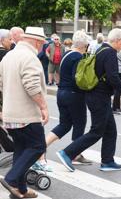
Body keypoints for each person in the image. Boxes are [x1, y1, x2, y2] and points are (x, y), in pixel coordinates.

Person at [56, 28, 121, 172]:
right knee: (97, 131)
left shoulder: (100, 49)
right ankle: (68, 153)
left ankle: (107, 161)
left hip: (94, 95)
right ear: (118, 41)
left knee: (110, 130)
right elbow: (112, 77)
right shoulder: (110, 53)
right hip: (100, 97)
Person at [0, 26, 49, 199]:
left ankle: (20, 189)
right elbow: (32, 86)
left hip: (10, 114)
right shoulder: (29, 57)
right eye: (43, 43)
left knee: (21, 150)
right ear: (37, 41)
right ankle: (12, 179)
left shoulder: (9, 56)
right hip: (26, 114)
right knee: (38, 147)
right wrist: (43, 106)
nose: (43, 46)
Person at [34, 30, 91, 171]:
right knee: (79, 123)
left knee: (65, 124)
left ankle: (41, 147)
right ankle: (75, 153)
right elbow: (77, 78)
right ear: (84, 44)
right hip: (74, 94)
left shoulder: (67, 54)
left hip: (62, 92)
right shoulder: (78, 57)